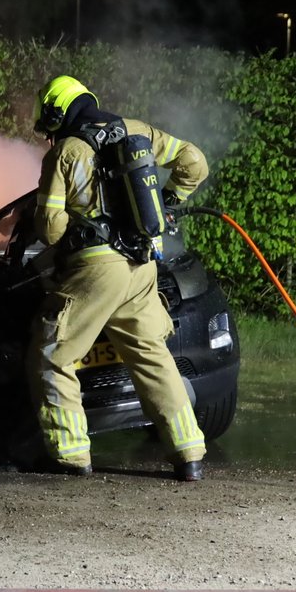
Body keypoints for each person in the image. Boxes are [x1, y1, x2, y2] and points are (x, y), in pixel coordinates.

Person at [25, 75, 209, 481]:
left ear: (57, 114)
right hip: (142, 267)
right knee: (152, 354)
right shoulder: (136, 131)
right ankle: (189, 452)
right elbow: (195, 161)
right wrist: (170, 201)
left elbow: (50, 230)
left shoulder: (66, 154)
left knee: (53, 352)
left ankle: (70, 453)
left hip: (96, 269)